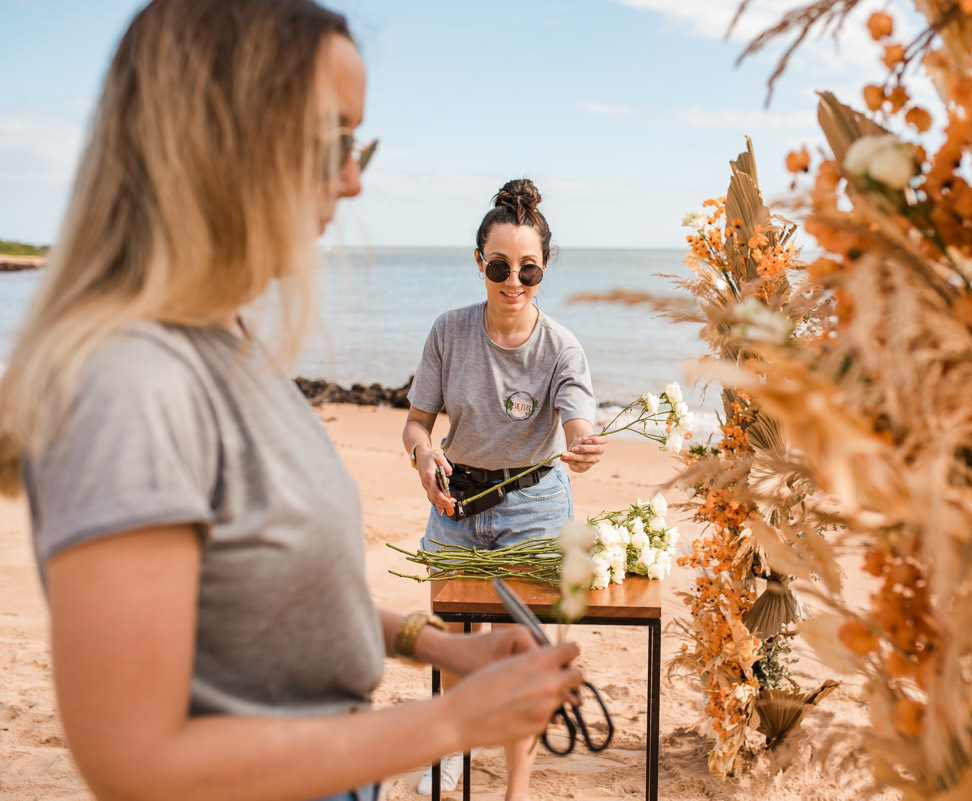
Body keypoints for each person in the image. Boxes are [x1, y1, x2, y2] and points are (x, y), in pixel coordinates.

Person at [0, 3, 582, 801]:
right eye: (335, 142)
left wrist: (441, 647)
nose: (353, 178)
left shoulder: (226, 344)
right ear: (224, 140)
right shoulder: (130, 382)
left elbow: (269, 588)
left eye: (359, 144)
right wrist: (456, 722)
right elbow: (133, 763)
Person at [402, 179, 607, 798]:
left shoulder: (561, 346)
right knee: (458, 653)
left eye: (528, 270)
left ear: (544, 270)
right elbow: (417, 422)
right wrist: (423, 454)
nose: (513, 282)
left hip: (535, 510)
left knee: (523, 659)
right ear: (478, 263)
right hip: (455, 506)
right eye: (499, 266)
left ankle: (516, 787)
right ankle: (455, 750)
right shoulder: (449, 332)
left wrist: (584, 442)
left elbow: (578, 415)